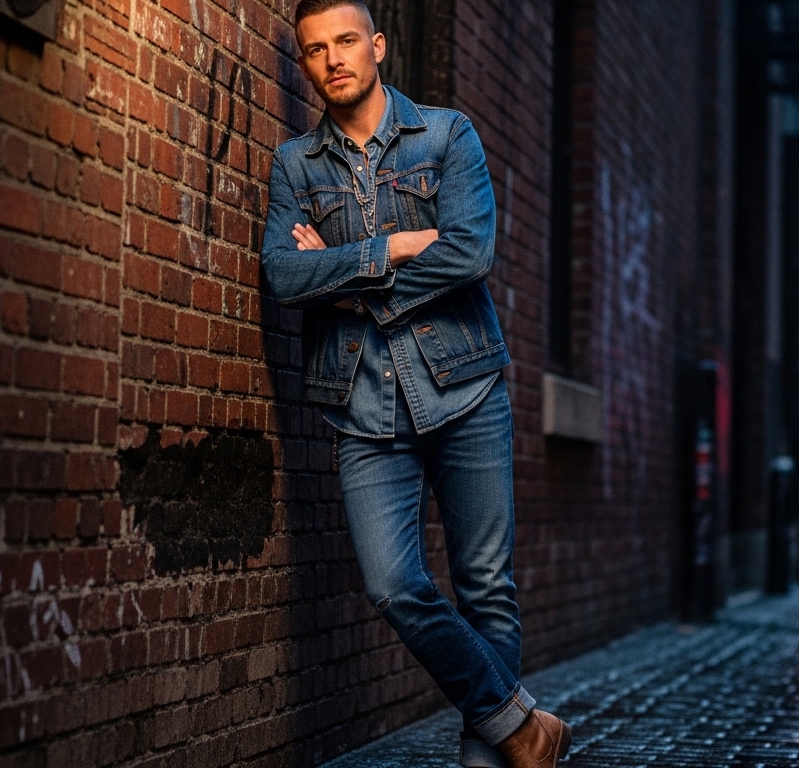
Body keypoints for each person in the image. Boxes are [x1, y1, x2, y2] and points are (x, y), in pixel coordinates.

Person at [259, 2, 571, 766]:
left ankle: (488, 758)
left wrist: (344, 277)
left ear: (378, 45)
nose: (332, 59)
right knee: (395, 586)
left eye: (344, 41)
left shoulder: (446, 134)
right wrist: (393, 245)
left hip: (465, 386)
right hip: (362, 405)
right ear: (303, 65)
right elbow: (282, 273)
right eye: (313, 50)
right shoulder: (295, 165)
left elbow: (469, 256)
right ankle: (520, 726)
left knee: (485, 583)